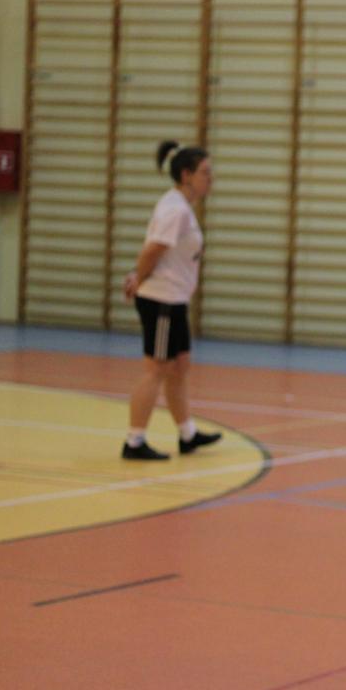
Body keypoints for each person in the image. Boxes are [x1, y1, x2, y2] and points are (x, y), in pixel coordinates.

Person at [121, 140, 222, 460]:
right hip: (162, 300)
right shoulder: (175, 210)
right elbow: (153, 249)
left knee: (180, 365)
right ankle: (134, 441)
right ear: (186, 175)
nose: (211, 178)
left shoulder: (180, 207)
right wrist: (137, 278)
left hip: (174, 299)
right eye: (205, 172)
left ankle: (187, 434)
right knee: (156, 369)